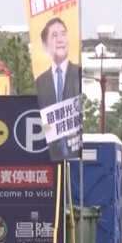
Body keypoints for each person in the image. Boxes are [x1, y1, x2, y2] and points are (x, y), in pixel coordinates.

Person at [34, 17, 81, 160]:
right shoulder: (40, 82)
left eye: (63, 34)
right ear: (45, 45)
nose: (60, 40)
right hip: (48, 157)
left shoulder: (78, 75)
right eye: (54, 35)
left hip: (75, 155)